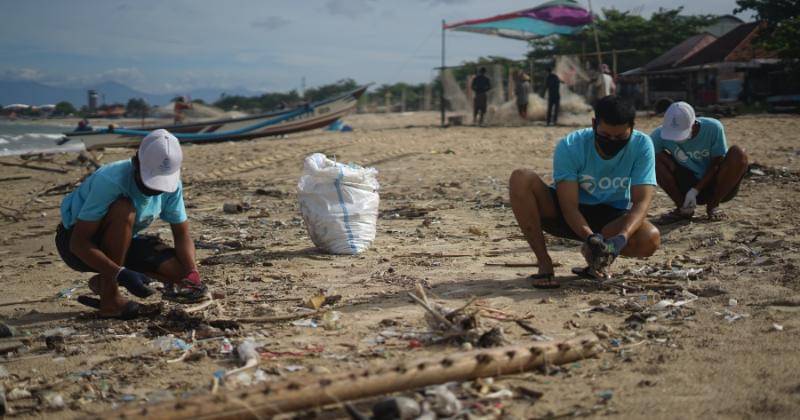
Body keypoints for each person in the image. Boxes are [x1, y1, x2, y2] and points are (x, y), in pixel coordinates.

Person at [508, 95, 660, 287]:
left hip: (610, 219)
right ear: (594, 124)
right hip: (566, 215)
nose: (612, 142)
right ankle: (544, 263)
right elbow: (569, 207)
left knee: (650, 238)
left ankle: (597, 259)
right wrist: (589, 237)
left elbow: (641, 201)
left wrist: (622, 237)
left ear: (632, 127)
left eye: (620, 137)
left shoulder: (642, 145)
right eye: (605, 136)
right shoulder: (571, 146)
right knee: (521, 178)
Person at [55, 129, 205, 319]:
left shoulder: (173, 185)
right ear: (136, 163)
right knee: (124, 208)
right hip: (78, 245)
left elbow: (182, 234)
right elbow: (78, 243)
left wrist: (192, 272)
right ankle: (110, 299)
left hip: (123, 241)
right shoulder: (110, 180)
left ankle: (102, 281)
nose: (155, 190)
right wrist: (120, 273)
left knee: (180, 273)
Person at [650, 102, 749, 221]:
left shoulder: (713, 127)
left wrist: (696, 190)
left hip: (717, 185)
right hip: (686, 182)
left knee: (738, 153)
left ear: (693, 123)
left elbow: (717, 163)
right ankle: (683, 208)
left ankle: (713, 205)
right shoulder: (659, 135)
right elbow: (645, 160)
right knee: (653, 159)